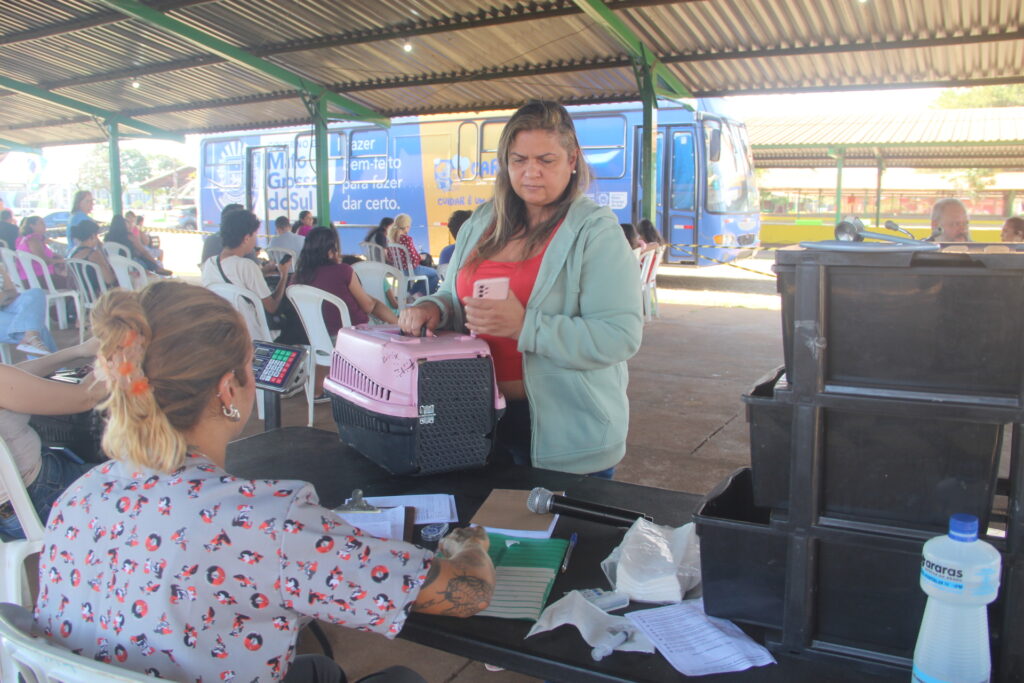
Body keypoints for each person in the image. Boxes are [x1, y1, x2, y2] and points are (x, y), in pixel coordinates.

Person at [34, 281, 494, 681]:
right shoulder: (269, 524)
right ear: (227, 389)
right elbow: (466, 594)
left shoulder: (79, 495)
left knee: (319, 670)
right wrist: (469, 546)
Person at [398, 100, 642, 477]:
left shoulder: (595, 232)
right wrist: (436, 307)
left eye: (546, 160)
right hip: (476, 419)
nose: (531, 173)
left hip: (561, 431)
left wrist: (525, 325)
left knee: (558, 535)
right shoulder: (482, 221)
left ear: (572, 159)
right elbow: (453, 293)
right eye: (519, 160)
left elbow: (619, 337)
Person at [0, 336, 105, 539]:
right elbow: (86, 397)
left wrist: (78, 351)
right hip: (38, 499)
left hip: (9, 512)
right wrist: (114, 361)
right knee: (141, 480)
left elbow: (15, 377)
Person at [294, 227, 399, 399]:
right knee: (374, 304)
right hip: (352, 338)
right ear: (330, 251)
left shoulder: (298, 278)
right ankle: (400, 326)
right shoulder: (343, 271)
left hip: (318, 340)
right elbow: (367, 306)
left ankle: (320, 388)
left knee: (369, 301)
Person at [201, 209, 292, 342]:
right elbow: (272, 307)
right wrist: (283, 275)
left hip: (225, 335)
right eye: (255, 234)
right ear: (246, 238)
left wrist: (262, 272)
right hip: (253, 337)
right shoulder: (247, 266)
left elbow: (235, 278)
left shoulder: (209, 263)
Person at [0, 259, 57, 356]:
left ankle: (31, 336)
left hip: (7, 305)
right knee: (35, 326)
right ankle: (32, 338)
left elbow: (12, 292)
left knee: (35, 293)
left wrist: (3, 296)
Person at [387, 213, 439, 295]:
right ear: (407, 227)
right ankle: (419, 295)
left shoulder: (391, 239)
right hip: (410, 270)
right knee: (435, 274)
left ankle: (411, 293)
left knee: (426, 275)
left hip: (399, 270)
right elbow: (413, 258)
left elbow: (390, 257)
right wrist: (421, 257)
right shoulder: (406, 239)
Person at [105, 215, 172, 276]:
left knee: (140, 255)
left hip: (114, 266)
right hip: (131, 264)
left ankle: (156, 268)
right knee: (143, 255)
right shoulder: (129, 237)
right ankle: (157, 268)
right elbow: (143, 251)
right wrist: (155, 263)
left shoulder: (107, 238)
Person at [16, 215, 69, 288]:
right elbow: (44, 260)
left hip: (32, 278)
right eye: (41, 223)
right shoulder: (33, 240)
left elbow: (46, 255)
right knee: (75, 281)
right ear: (32, 226)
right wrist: (61, 261)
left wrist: (57, 257)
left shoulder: (28, 239)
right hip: (37, 279)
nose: (45, 225)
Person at [69, 219, 119, 291]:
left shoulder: (72, 254)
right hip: (98, 295)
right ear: (93, 236)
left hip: (82, 295)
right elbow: (109, 280)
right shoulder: (94, 254)